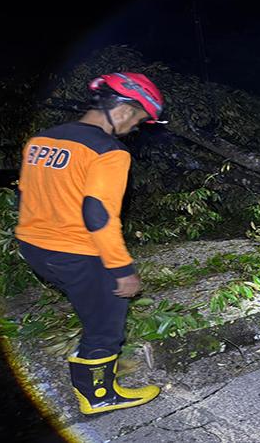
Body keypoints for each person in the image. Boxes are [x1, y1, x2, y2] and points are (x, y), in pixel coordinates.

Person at [15, 72, 165, 415]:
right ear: (126, 111)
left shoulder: (41, 140)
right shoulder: (110, 151)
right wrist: (122, 268)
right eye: (140, 121)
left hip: (34, 246)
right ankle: (98, 396)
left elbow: (26, 193)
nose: (134, 129)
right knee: (106, 323)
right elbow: (98, 215)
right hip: (75, 249)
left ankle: (97, 372)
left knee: (93, 308)